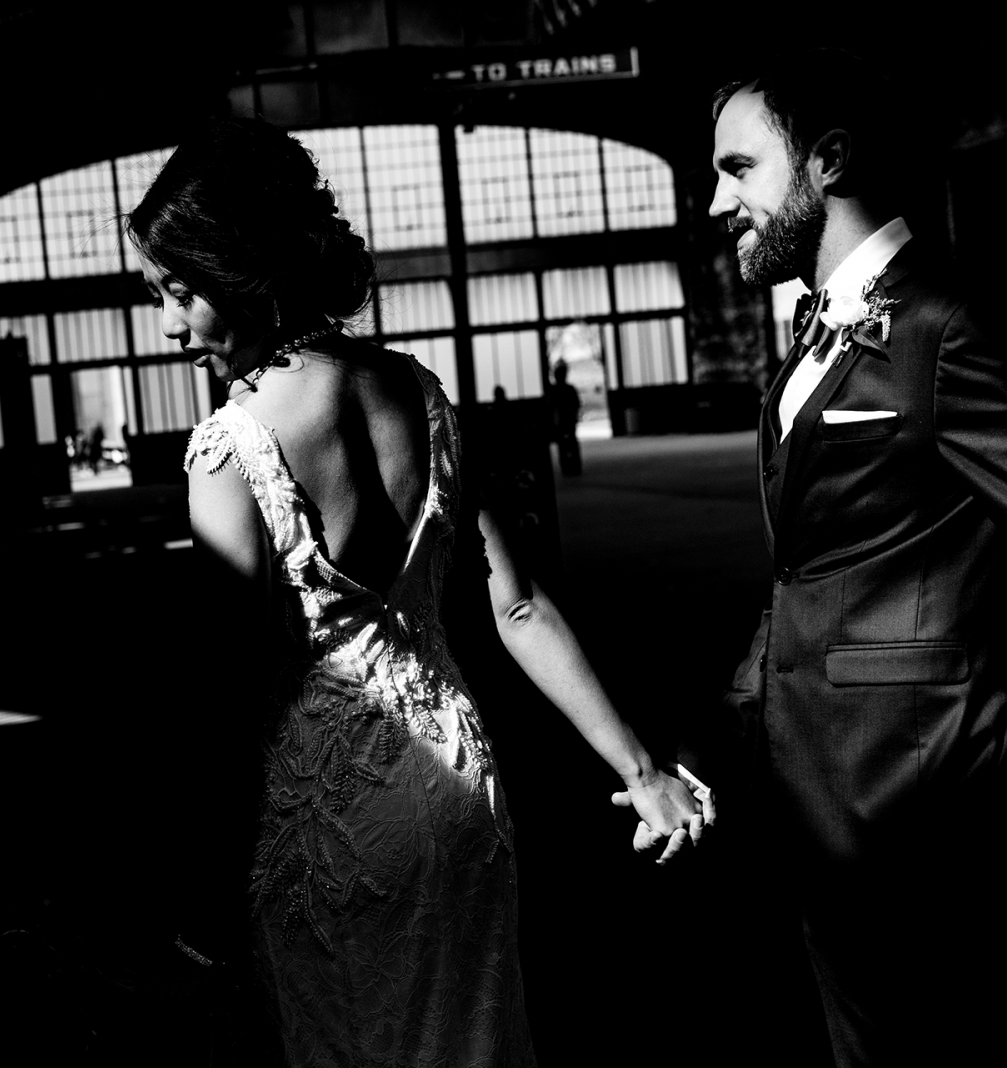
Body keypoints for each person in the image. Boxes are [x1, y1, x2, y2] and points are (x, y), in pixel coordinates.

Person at [125, 118, 710, 1066]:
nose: (166, 322)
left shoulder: (229, 454)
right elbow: (519, 608)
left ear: (243, 269)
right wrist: (642, 774)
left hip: (327, 821)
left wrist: (194, 886)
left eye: (180, 291)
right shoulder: (417, 392)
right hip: (462, 788)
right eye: (156, 292)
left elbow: (232, 695)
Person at [703, 52, 1007, 1066]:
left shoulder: (944, 325)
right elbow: (822, 566)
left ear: (825, 162)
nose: (714, 202)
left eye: (738, 170)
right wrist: (751, 703)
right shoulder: (812, 339)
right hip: (812, 787)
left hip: (918, 801)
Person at [546, 360, 583, 476]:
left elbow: (576, 404)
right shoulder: (566, 389)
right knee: (568, 444)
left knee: (565, 445)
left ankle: (569, 467)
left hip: (564, 421)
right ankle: (572, 467)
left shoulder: (557, 390)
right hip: (564, 421)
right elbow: (576, 404)